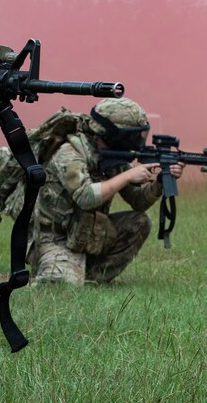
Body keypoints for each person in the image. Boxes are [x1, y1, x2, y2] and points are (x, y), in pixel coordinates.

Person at [29, 97, 183, 285]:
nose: (136, 142)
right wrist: (127, 176)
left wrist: (158, 184)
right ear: (112, 134)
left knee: (140, 222)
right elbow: (85, 197)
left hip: (87, 234)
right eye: (131, 136)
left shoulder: (113, 157)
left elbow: (138, 202)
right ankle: (63, 270)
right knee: (60, 286)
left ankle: (93, 276)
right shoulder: (69, 153)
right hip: (55, 239)